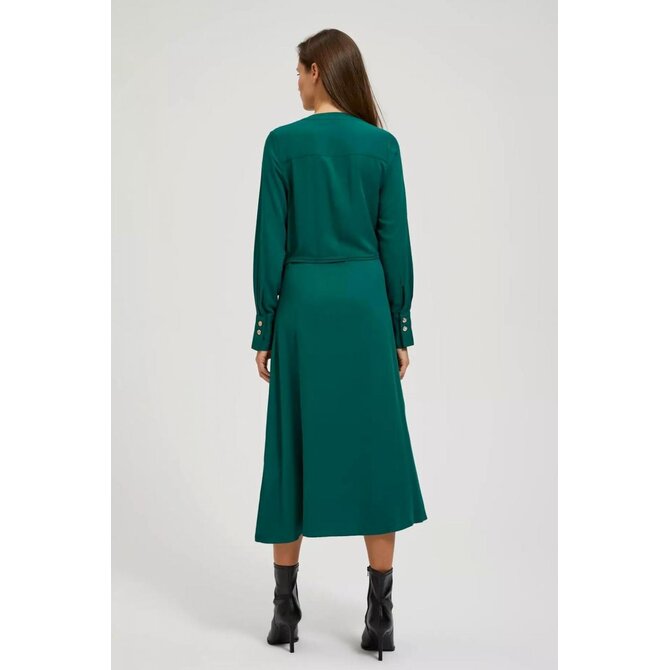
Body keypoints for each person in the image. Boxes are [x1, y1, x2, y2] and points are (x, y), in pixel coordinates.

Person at [250, 28, 428, 659]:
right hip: (363, 309)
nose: (296, 83)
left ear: (318, 71)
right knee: (376, 453)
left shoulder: (282, 144)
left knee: (290, 447)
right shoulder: (382, 147)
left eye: (299, 71)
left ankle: (284, 614)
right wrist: (399, 325)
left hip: (303, 311)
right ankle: (380, 618)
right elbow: (394, 241)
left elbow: (270, 240)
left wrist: (265, 324)